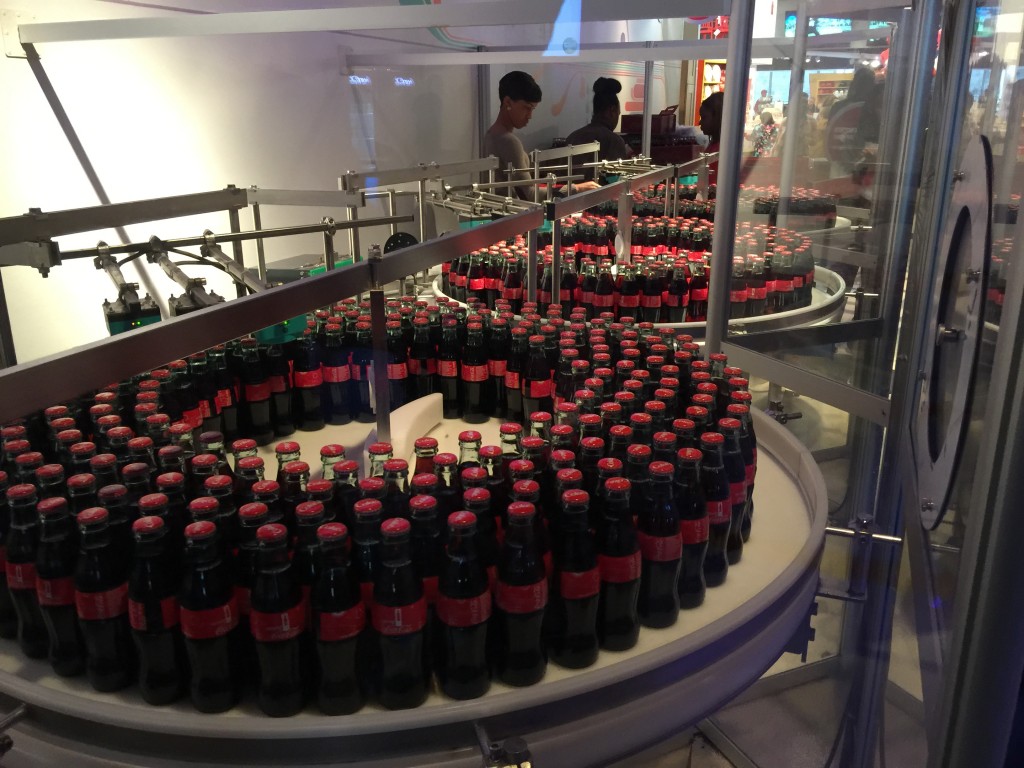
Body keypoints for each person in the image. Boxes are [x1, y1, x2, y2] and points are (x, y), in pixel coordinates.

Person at [483, 70, 597, 199]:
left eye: (532, 109)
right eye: (526, 108)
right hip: (511, 214)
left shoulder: (491, 133)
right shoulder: (508, 141)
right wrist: (576, 188)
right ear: (508, 102)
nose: (530, 116)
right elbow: (530, 194)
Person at [565, 77, 632, 175]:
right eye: (618, 113)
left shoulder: (573, 136)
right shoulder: (614, 141)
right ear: (612, 110)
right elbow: (618, 181)